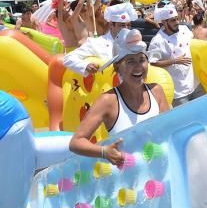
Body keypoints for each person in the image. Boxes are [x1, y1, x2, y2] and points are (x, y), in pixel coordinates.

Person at [69, 29, 171, 161]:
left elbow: (169, 130)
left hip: (160, 172)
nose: (138, 66)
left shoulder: (157, 91)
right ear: (118, 68)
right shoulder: (108, 101)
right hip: (129, 177)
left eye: (142, 59)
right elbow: (76, 142)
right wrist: (104, 152)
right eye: (130, 61)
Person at [63, 1, 136, 77]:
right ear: (111, 25)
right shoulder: (96, 43)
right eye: (122, 25)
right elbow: (68, 58)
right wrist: (85, 65)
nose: (126, 29)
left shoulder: (134, 42)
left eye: (128, 25)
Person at [148, 3, 201, 107]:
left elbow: (195, 42)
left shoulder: (184, 30)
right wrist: (174, 61)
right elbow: (153, 63)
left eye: (177, 19)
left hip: (195, 84)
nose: (177, 22)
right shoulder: (157, 41)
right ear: (164, 22)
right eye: (173, 20)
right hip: (179, 92)